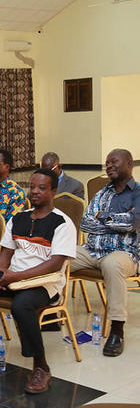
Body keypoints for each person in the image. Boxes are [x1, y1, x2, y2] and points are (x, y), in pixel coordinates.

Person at [0, 169, 76, 394]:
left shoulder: (62, 223)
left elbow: (54, 264)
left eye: (41, 188)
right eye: (32, 186)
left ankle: (41, 367)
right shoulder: (19, 218)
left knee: (22, 306)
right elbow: (5, 253)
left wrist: (15, 277)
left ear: (53, 190)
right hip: (14, 277)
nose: (34, 191)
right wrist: (0, 273)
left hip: (45, 283)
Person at [71, 149, 140, 357]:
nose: (108, 166)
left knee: (112, 264)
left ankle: (117, 330)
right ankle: (49, 310)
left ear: (129, 163)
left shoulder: (138, 192)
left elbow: (134, 222)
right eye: (107, 163)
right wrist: (116, 221)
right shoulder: (102, 193)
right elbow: (85, 223)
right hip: (93, 249)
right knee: (61, 256)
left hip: (125, 252)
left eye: (114, 162)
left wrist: (102, 217)